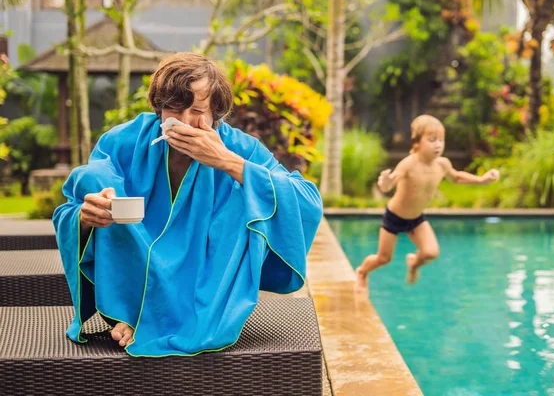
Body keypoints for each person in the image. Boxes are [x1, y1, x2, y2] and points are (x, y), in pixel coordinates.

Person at [53, 53, 323, 357]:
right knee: (94, 180)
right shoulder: (125, 141)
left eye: (196, 111)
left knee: (251, 193)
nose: (183, 122)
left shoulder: (239, 147)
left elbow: (306, 201)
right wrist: (86, 217)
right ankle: (136, 312)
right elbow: (70, 209)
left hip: (205, 274)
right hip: (138, 270)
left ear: (215, 114)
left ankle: (168, 320)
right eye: (173, 110)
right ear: (159, 108)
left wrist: (227, 162)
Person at [354, 115, 500, 292]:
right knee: (384, 258)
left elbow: (456, 177)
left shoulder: (442, 164)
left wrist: (481, 179)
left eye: (441, 140)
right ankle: (362, 272)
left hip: (416, 218)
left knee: (431, 252)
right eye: (432, 140)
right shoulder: (408, 163)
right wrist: (385, 183)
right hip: (394, 217)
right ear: (417, 142)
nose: (438, 144)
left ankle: (414, 263)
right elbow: (390, 183)